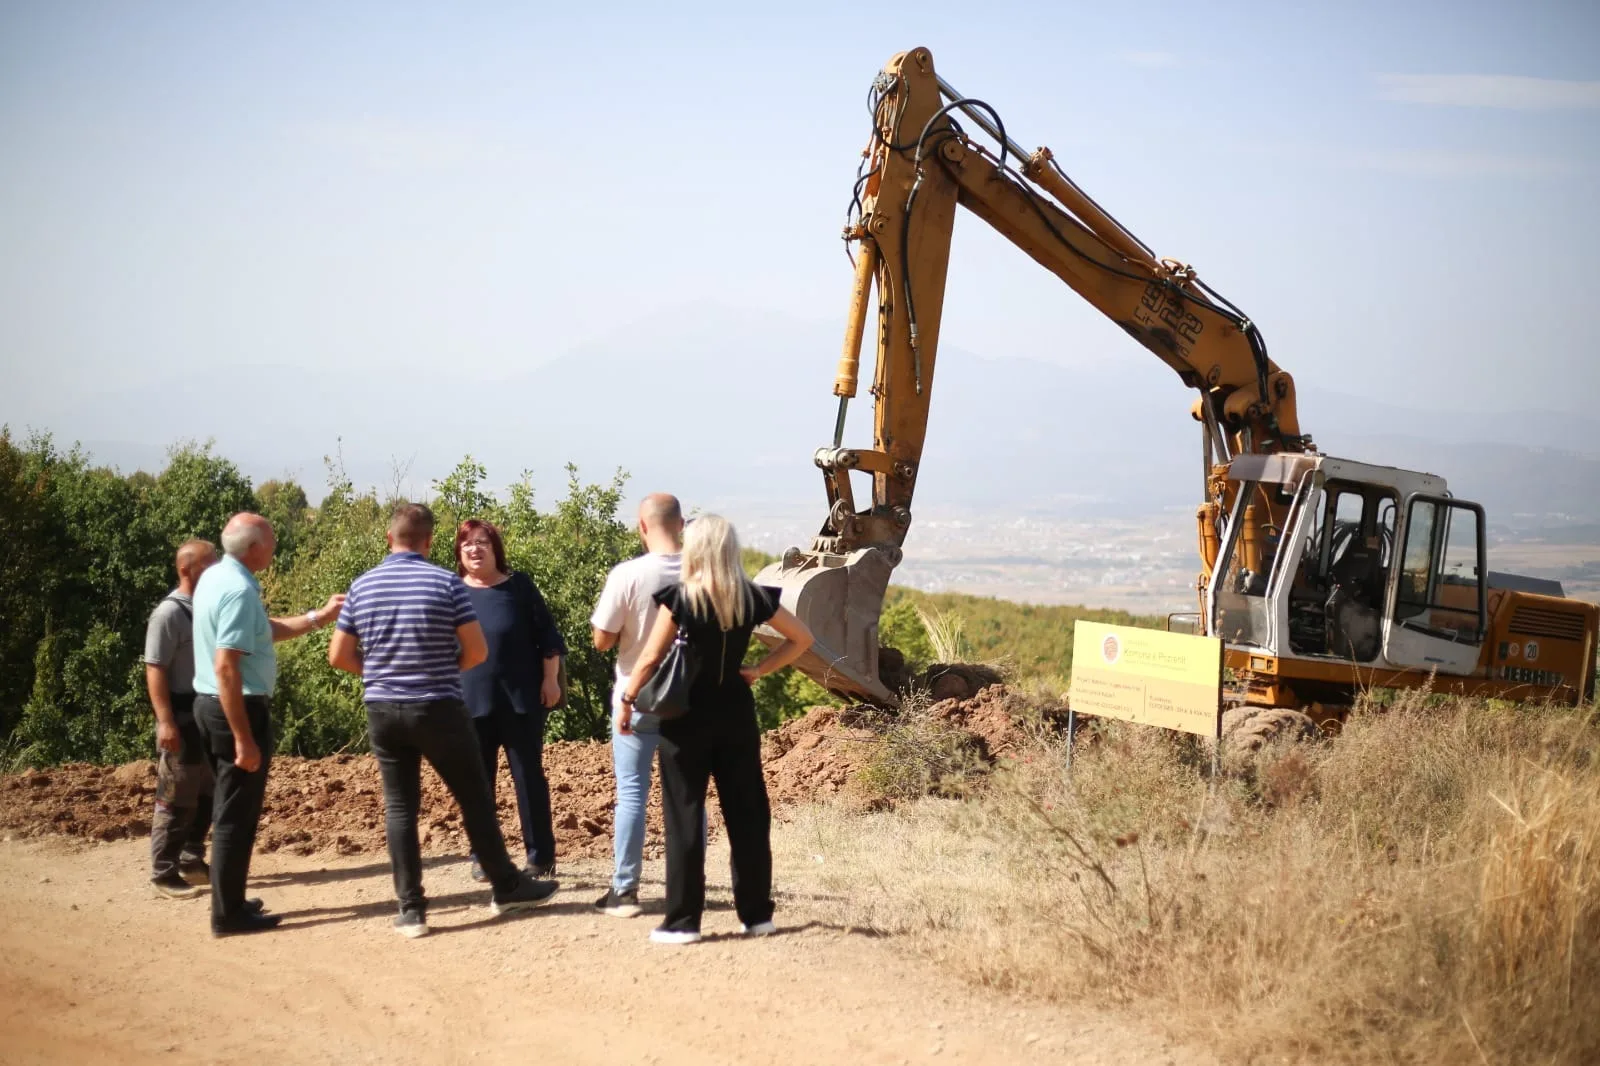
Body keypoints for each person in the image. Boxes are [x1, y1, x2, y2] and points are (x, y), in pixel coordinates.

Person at [328, 502, 558, 939]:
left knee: (399, 807)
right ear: (430, 541)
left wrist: (379, 672)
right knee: (474, 797)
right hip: (437, 706)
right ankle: (507, 886)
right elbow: (476, 653)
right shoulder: (445, 584)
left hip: (382, 708)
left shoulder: (362, 585)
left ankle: (411, 910)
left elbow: (338, 656)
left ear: (388, 539)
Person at [620, 514, 814, 944]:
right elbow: (802, 638)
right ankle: (757, 915)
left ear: (696, 549)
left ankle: (684, 922)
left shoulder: (682, 598)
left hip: (685, 718)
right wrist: (760, 669)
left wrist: (629, 699)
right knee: (747, 814)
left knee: (685, 815)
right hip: (737, 714)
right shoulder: (752, 597)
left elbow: (651, 657)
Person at [192, 513, 345, 937]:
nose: (276, 548)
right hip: (235, 710)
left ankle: (233, 900)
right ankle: (228, 916)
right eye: (272, 541)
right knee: (235, 816)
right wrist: (243, 738)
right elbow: (227, 667)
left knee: (231, 809)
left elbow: (261, 633)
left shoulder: (217, 577)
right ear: (255, 548)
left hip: (211, 706)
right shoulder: (239, 591)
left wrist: (319, 617)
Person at [455, 518, 567, 881]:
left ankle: (541, 857)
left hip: (520, 701)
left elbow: (548, 637)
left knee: (529, 779)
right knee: (477, 784)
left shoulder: (519, 587)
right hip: (470, 703)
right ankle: (483, 855)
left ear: (495, 548)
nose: (475, 549)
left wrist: (551, 681)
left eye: (482, 542)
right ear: (459, 552)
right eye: (467, 543)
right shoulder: (452, 592)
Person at [589, 493, 684, 918]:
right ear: (681, 524)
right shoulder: (703, 572)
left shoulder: (627, 574)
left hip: (636, 697)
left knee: (631, 795)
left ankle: (624, 891)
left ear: (642, 527)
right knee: (688, 796)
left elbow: (601, 639)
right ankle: (688, 884)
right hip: (688, 699)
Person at [145, 538, 220, 899]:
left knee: (206, 792)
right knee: (176, 796)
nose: (217, 570)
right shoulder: (169, 614)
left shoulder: (209, 607)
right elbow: (155, 669)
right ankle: (163, 873)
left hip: (207, 714)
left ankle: (191, 859)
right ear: (186, 570)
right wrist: (165, 721)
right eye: (210, 564)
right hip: (181, 716)